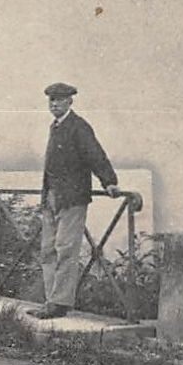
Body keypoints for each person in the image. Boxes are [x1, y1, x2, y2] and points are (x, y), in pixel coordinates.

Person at [29, 82, 121, 320]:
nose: (55, 104)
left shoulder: (78, 127)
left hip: (72, 198)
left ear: (70, 101)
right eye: (51, 100)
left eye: (60, 100)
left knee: (65, 248)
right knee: (47, 250)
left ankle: (59, 303)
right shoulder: (56, 127)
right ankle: (50, 301)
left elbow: (95, 155)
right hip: (52, 197)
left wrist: (108, 181)